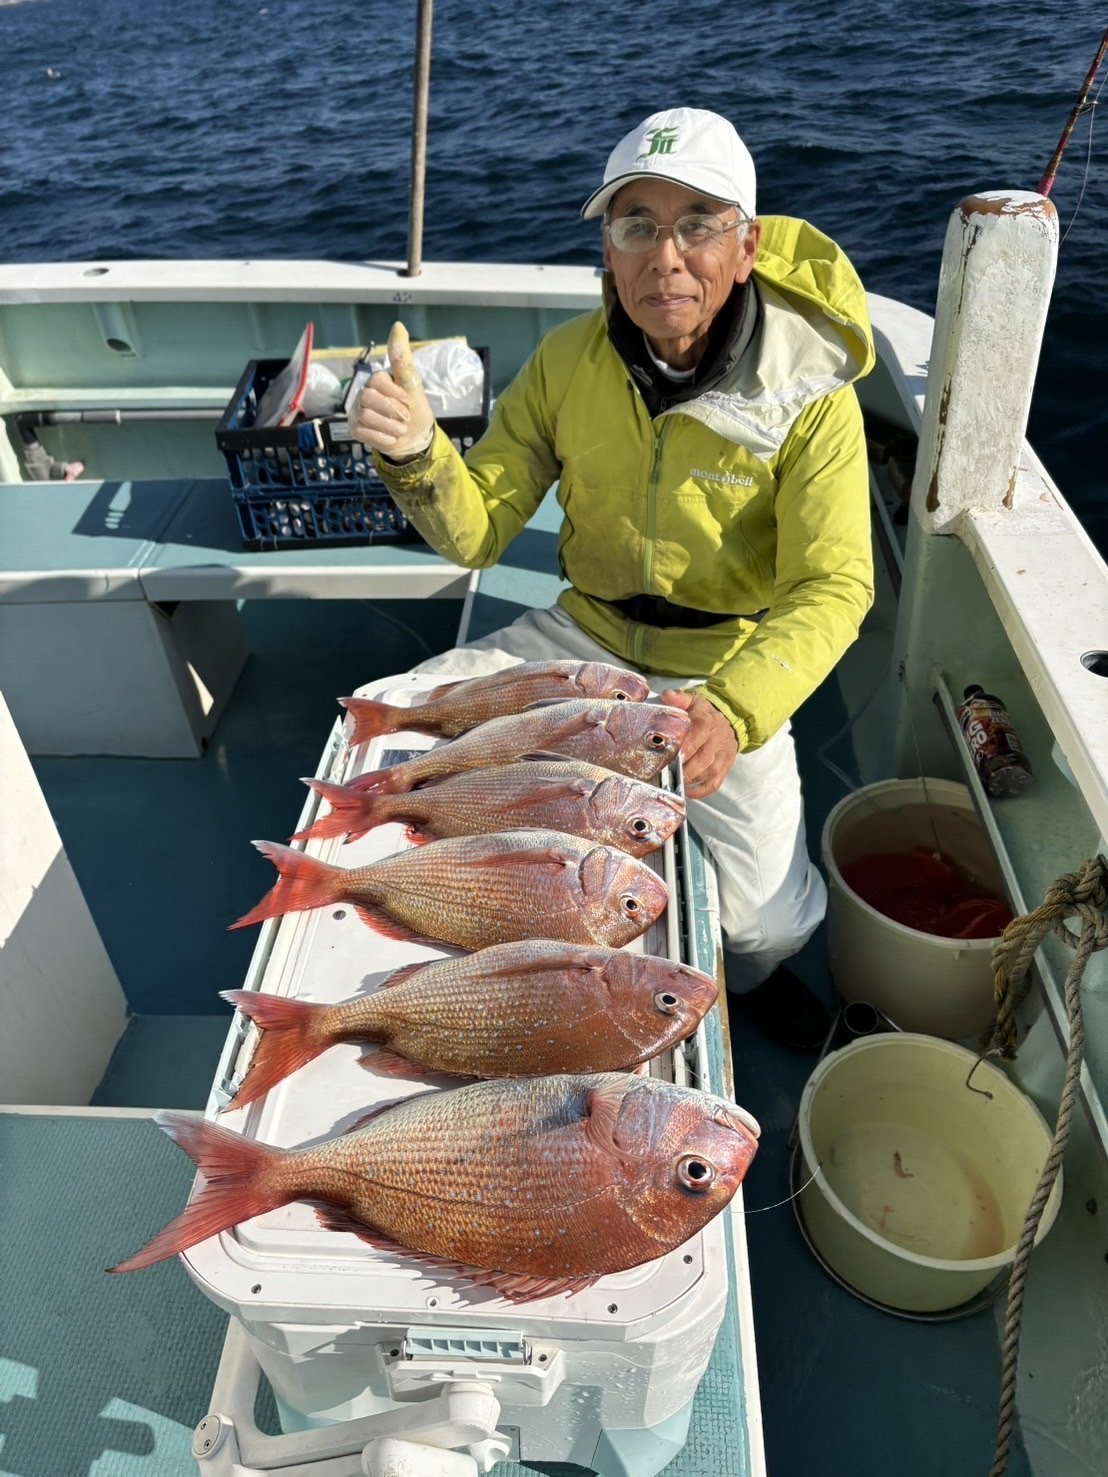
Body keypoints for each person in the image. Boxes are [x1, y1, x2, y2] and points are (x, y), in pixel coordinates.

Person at [349, 106, 875, 1050]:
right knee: (390, 723)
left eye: (698, 224)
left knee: (770, 924)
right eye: (637, 225)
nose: (665, 257)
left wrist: (736, 711)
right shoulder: (566, 362)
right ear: (608, 248)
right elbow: (478, 531)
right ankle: (445, 940)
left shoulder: (810, 393)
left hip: (723, 663)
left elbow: (834, 586)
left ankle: (750, 987)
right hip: (581, 636)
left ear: (747, 247)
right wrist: (418, 453)